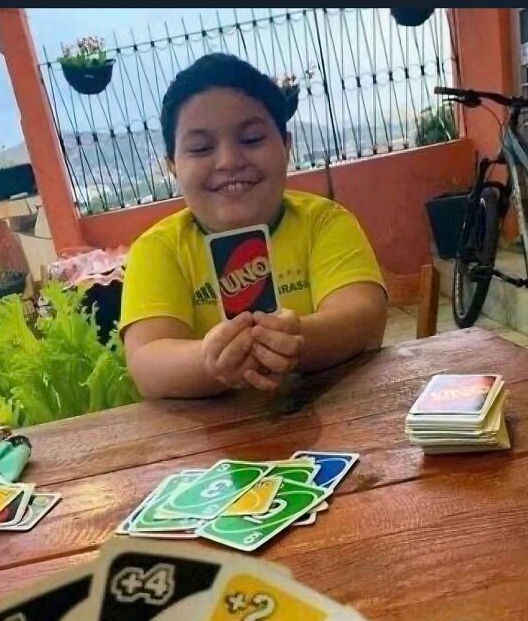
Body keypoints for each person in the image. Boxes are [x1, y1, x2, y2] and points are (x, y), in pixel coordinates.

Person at [120, 53, 387, 400]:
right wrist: (210, 360)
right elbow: (146, 362)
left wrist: (297, 339)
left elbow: (364, 316)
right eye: (201, 148)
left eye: (251, 139)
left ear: (286, 146)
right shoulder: (158, 249)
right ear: (172, 165)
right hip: (211, 443)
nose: (229, 161)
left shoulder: (325, 222)